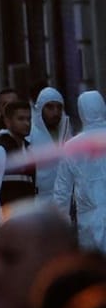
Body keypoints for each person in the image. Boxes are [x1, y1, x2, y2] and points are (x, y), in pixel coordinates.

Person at [52, 90, 106, 246]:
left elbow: (62, 191)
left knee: (94, 267)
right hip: (89, 217)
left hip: (88, 221)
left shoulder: (72, 146)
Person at [0, 97, 37, 236]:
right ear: (8, 121)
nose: (26, 123)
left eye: (29, 119)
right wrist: (0, 224)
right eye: (21, 119)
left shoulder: (29, 150)